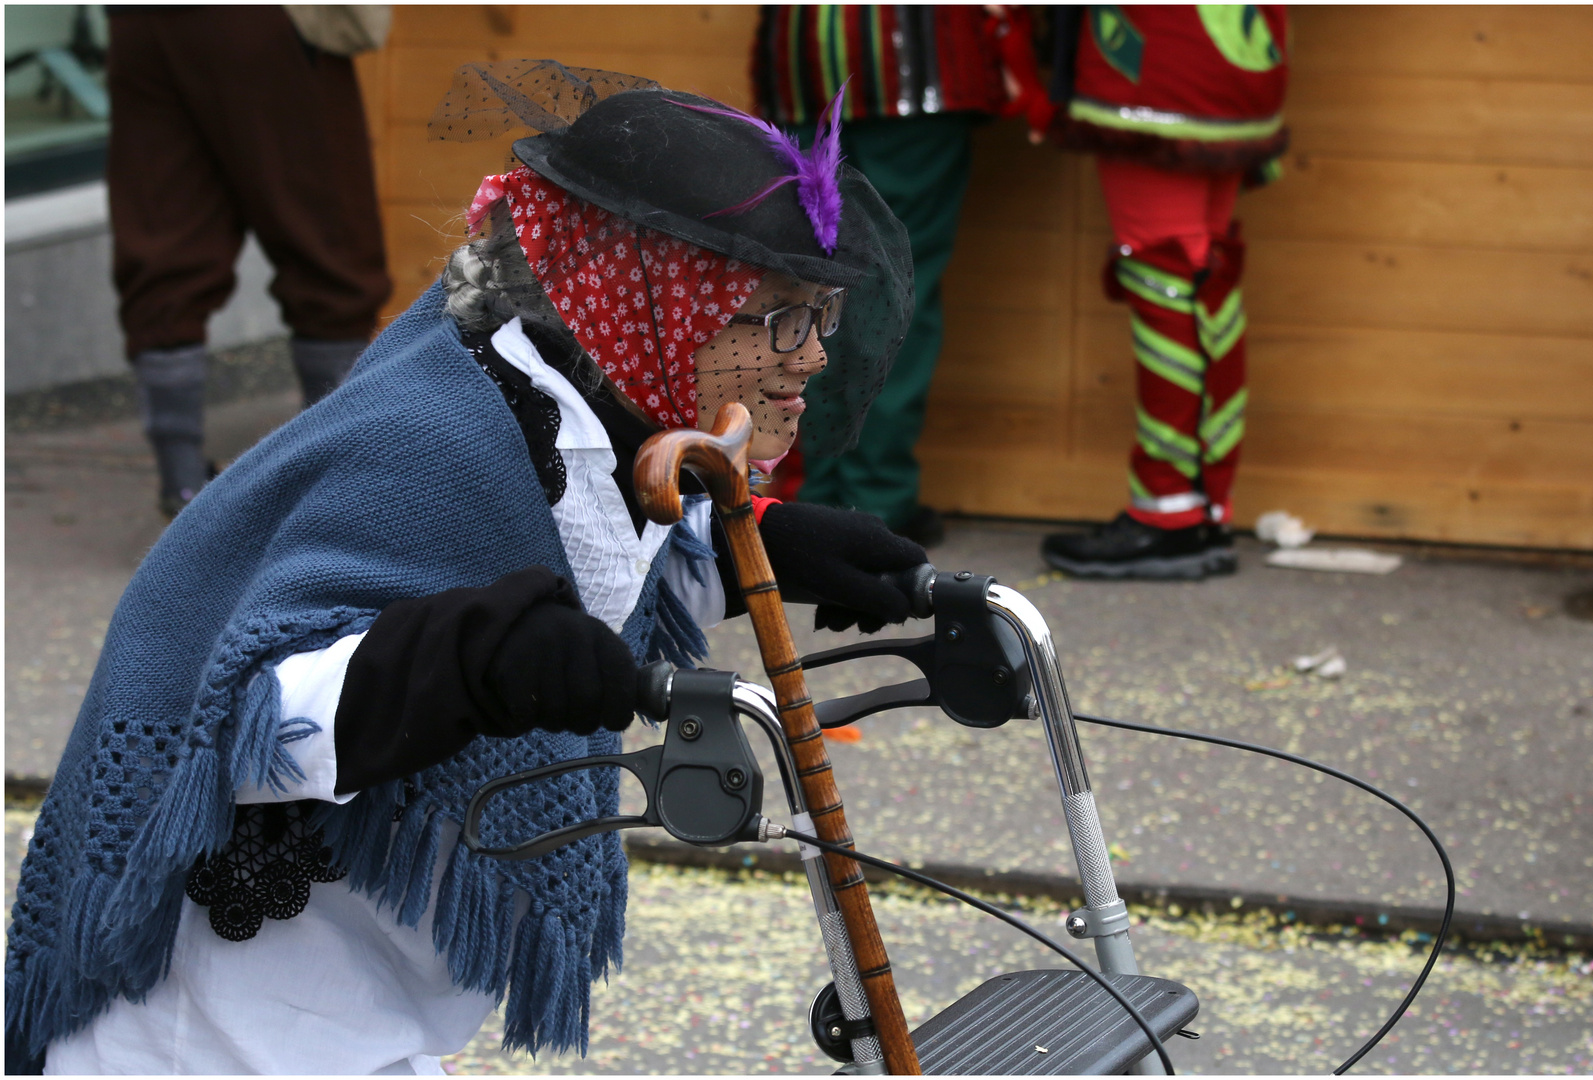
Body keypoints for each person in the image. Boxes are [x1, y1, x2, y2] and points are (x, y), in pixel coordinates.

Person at [5, 61, 925, 1074]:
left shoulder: (579, 402)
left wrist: (769, 554)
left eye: (821, 317)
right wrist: (467, 661)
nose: (813, 357)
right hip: (221, 1023)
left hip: (361, 1001)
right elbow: (247, 726)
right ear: (649, 300)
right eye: (781, 316)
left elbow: (596, 569)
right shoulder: (435, 436)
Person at [750, 5, 1052, 547]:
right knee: (891, 281)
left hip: (804, 58)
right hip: (917, 60)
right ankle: (874, 497)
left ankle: (813, 491)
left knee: (803, 282)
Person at [105, 6, 393, 517]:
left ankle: (183, 484)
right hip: (258, 23)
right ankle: (339, 483)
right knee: (329, 244)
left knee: (165, 243)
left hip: (141, 23)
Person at [1040, 5, 1289, 579]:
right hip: (1242, 50)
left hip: (1158, 55)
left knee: (1164, 276)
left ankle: (1169, 511)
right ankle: (1204, 508)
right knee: (1205, 276)